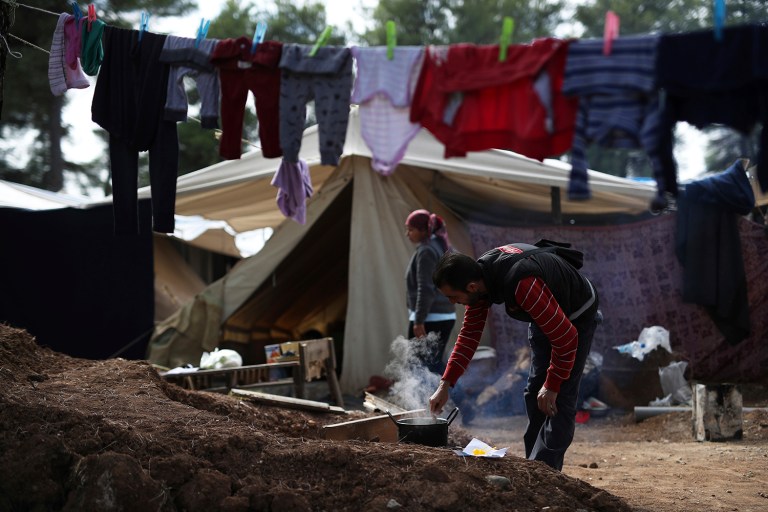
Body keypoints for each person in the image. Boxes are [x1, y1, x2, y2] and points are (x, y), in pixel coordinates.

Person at [428, 240, 600, 471]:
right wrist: (445, 384)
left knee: (558, 398)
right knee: (534, 393)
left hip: (576, 313)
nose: (452, 303)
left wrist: (553, 384)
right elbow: (469, 335)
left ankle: (546, 471)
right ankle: (535, 466)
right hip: (545, 310)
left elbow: (566, 337)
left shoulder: (522, 284)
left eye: (452, 296)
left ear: (471, 287)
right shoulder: (481, 280)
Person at [404, 209, 456, 375]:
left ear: (424, 230)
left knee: (418, 366)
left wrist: (419, 321)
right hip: (445, 315)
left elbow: (426, 288)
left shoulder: (426, 250)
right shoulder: (441, 245)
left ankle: (443, 397)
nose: (407, 234)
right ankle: (449, 397)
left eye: (410, 229)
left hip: (430, 317)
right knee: (433, 364)